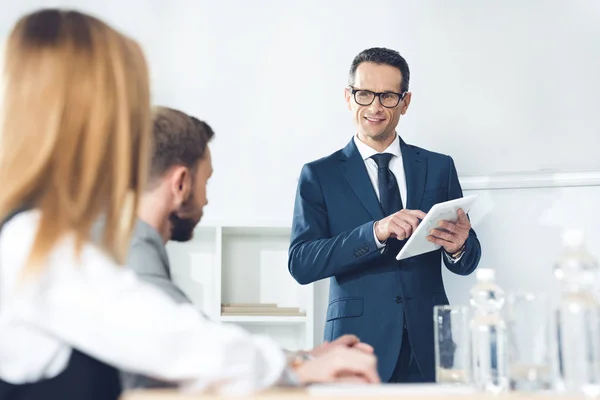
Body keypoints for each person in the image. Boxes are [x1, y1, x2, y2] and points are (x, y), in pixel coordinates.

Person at [0, 9, 379, 399]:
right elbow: (165, 340)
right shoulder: (33, 244)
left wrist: (297, 362)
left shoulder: (43, 235)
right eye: (126, 110)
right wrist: (298, 366)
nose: (132, 134)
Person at [123, 106, 375, 388]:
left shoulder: (131, 243)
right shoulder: (131, 256)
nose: (206, 200)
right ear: (181, 183)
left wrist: (300, 358)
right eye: (206, 181)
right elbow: (188, 342)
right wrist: (300, 368)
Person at [288, 47, 482, 383]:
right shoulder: (319, 175)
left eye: (388, 96)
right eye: (364, 94)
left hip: (430, 345)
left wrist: (459, 246)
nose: (375, 107)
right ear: (349, 98)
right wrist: (375, 232)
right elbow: (302, 263)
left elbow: (467, 261)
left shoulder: (439, 167)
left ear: (405, 102)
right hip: (355, 345)